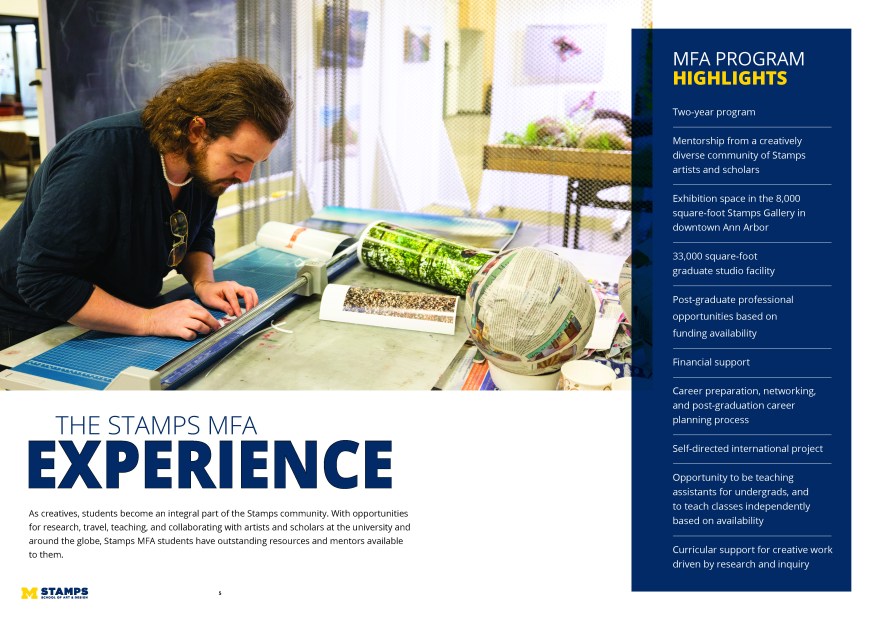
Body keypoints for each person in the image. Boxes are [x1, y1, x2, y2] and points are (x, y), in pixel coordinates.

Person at [0, 59, 293, 350]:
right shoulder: (99, 161)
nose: (244, 176)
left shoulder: (202, 170)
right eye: (238, 159)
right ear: (196, 131)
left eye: (256, 163)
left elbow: (196, 232)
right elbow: (42, 280)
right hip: (30, 323)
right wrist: (149, 320)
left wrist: (204, 282)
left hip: (114, 314)